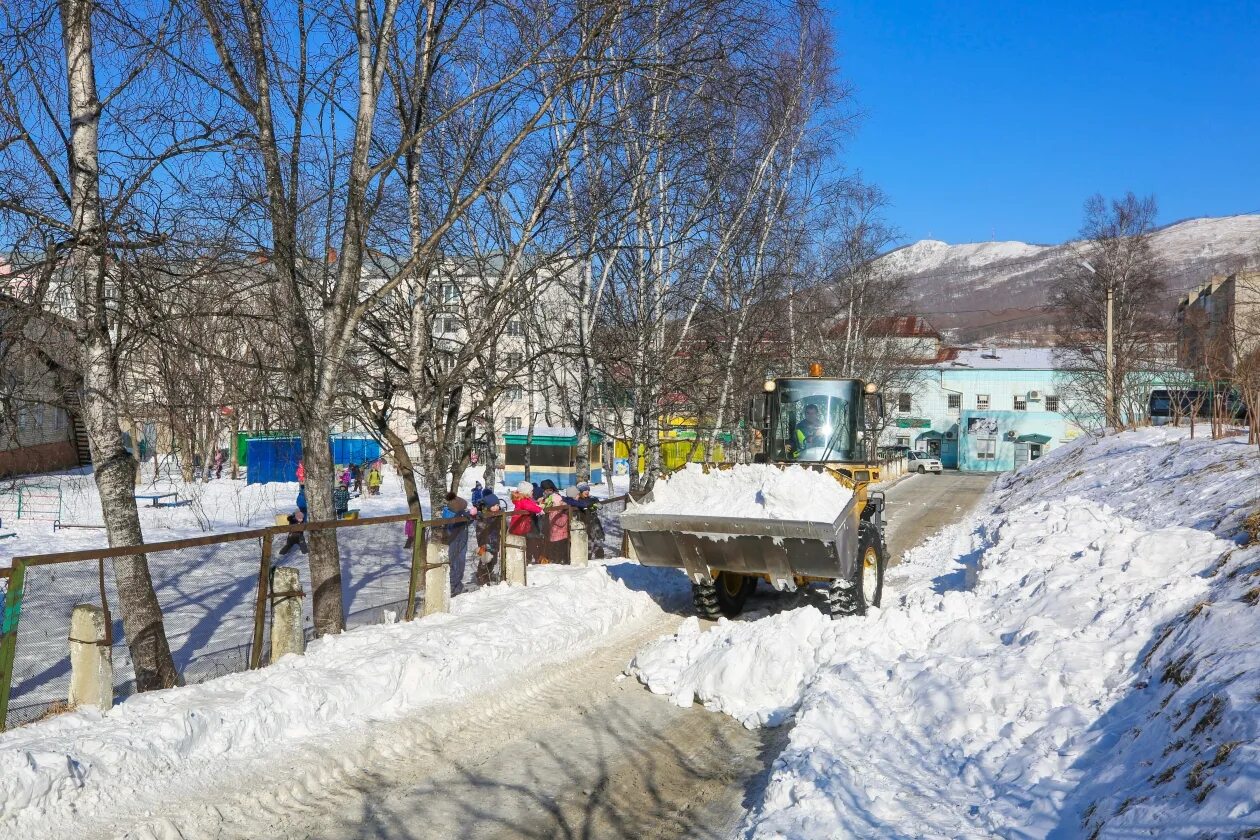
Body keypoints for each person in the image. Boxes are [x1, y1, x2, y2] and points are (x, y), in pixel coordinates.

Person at [441, 494, 477, 596]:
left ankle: (458, 585)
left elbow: (466, 522)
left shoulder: (458, 513)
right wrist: (462, 515)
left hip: (462, 542)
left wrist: (471, 517)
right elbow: (452, 525)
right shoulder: (448, 514)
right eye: (463, 508)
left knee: (461, 563)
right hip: (454, 542)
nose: (465, 510)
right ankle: (452, 587)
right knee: (454, 564)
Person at [565, 483, 606, 560]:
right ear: (580, 492)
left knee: (598, 542)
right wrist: (590, 504)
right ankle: (588, 559)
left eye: (588, 489)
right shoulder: (577, 500)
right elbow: (583, 504)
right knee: (588, 543)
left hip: (594, 523)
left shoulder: (590, 498)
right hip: (585, 524)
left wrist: (595, 502)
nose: (587, 491)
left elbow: (594, 500)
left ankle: (600, 558)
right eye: (584, 490)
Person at [475, 492, 502, 584]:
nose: (496, 507)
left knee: (493, 559)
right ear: (487, 506)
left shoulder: (498, 514)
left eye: (497, 505)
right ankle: (481, 576)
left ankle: (488, 574)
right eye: (493, 506)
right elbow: (481, 528)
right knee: (484, 559)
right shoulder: (483, 516)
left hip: (494, 541)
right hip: (484, 541)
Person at [540, 482, 570, 564]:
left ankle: (558, 559)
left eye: (549, 490)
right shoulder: (546, 498)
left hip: (556, 525)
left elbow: (557, 509)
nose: (546, 492)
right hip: (551, 525)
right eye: (545, 490)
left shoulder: (555, 498)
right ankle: (554, 559)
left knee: (558, 545)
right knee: (553, 543)